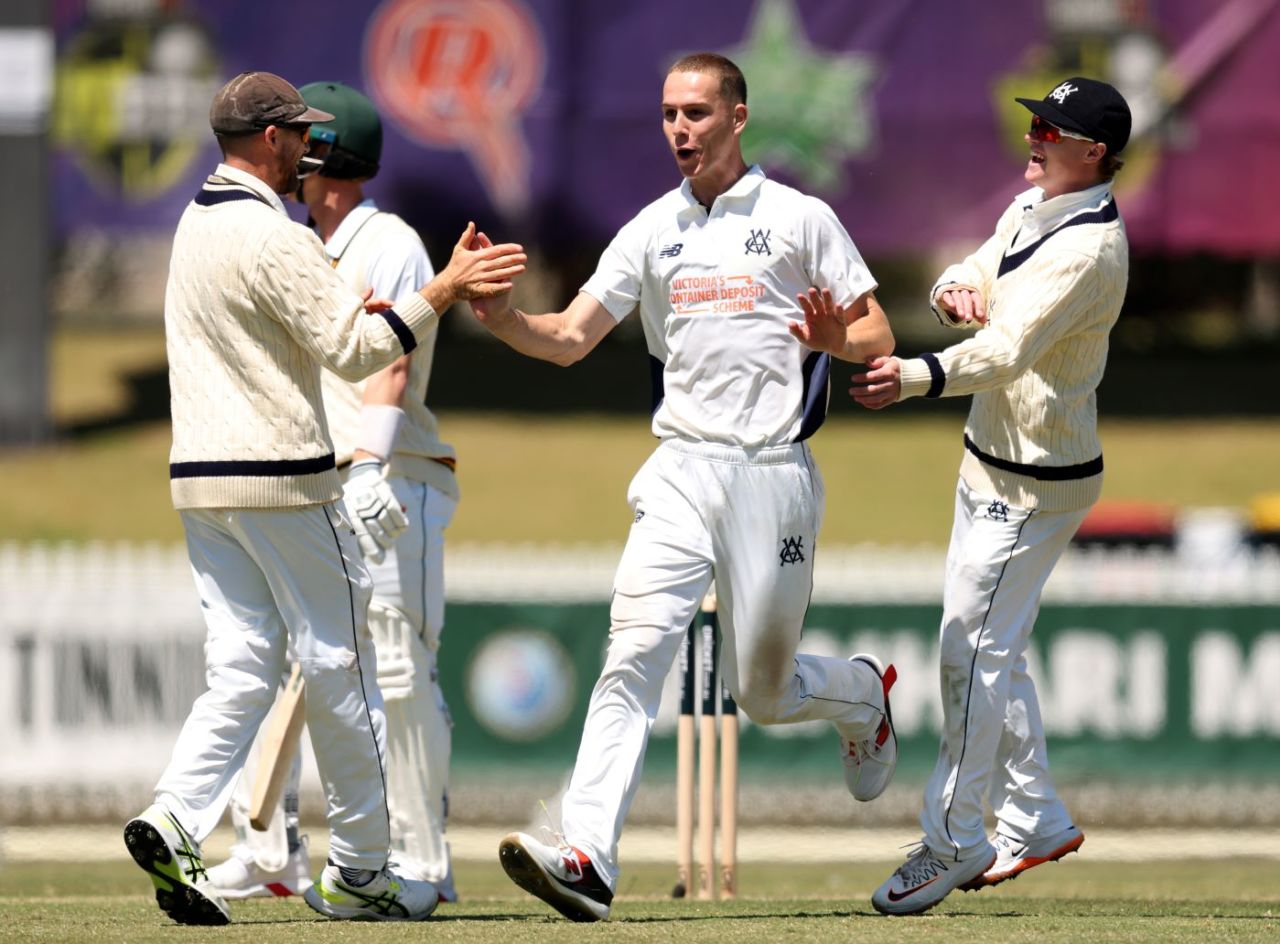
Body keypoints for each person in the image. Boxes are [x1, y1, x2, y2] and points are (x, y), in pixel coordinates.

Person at [468, 52, 899, 922]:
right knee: (632, 652)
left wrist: (834, 339)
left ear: (739, 117)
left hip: (773, 474)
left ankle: (862, 697)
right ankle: (587, 855)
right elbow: (569, 336)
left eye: (697, 113)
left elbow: (878, 333)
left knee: (763, 694)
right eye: (669, 113)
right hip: (679, 470)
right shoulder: (651, 229)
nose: (679, 129)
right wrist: (506, 319)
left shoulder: (799, 218)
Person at [121, 70, 523, 925]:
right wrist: (444, 289)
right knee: (345, 668)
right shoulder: (276, 238)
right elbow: (359, 349)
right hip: (285, 480)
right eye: (297, 133)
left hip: (200, 484)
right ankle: (364, 868)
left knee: (241, 670)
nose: (305, 148)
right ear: (271, 140)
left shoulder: (194, 224)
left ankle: (173, 815)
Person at [800, 77, 1131, 915]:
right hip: (990, 460)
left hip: (1034, 484)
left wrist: (913, 375)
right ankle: (1038, 816)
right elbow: (982, 265)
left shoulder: (1089, 249)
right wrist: (955, 286)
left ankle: (954, 839)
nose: (1034, 136)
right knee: (995, 648)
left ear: (1092, 153)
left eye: (1051, 130)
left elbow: (1010, 351)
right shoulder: (1034, 208)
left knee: (968, 651)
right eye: (1035, 121)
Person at [205, 80, 462, 904]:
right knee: (295, 665)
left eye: (295, 137)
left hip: (395, 484)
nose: (281, 150)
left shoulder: (387, 241)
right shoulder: (289, 244)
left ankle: (423, 866)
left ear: (318, 157)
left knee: (395, 670)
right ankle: (270, 846)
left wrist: (370, 467)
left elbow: (391, 361)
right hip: (319, 487)